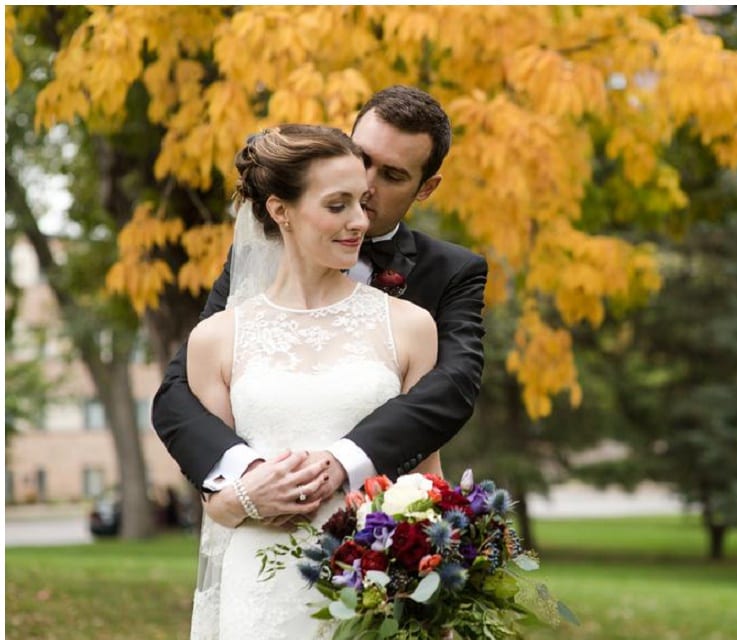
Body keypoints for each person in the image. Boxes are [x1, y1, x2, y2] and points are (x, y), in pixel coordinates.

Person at [151, 85, 487, 516]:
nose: (365, 185)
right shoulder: (256, 259)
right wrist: (248, 476)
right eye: (361, 159)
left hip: (372, 522)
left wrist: (344, 462)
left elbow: (452, 388)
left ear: (426, 188)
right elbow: (180, 389)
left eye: (393, 175)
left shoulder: (449, 275)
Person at [188, 124, 442, 640]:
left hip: (376, 594)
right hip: (261, 591)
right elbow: (212, 494)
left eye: (362, 203)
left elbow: (428, 476)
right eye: (338, 204)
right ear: (281, 211)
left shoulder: (412, 326)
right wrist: (245, 499)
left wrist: (439, 585)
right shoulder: (215, 339)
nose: (360, 221)